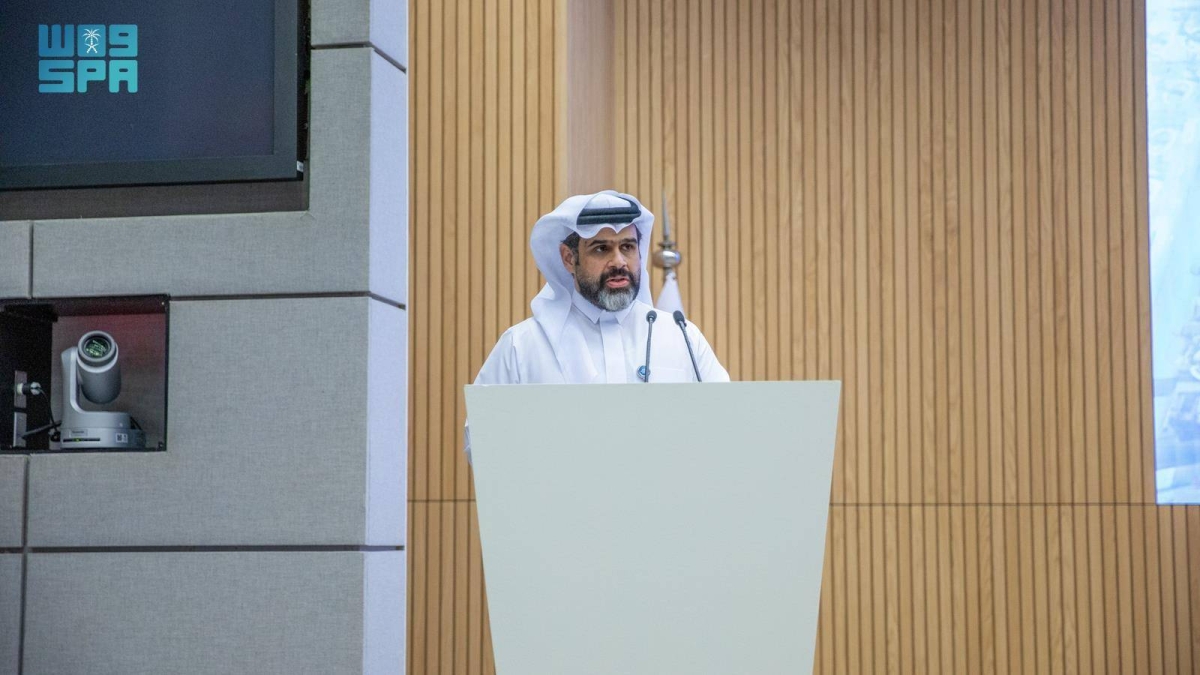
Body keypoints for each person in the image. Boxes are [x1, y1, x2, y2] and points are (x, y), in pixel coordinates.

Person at [465, 190, 729, 459]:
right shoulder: (523, 346)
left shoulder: (681, 336)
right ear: (569, 258)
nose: (619, 262)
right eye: (601, 249)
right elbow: (482, 441)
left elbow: (725, 424)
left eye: (627, 247)